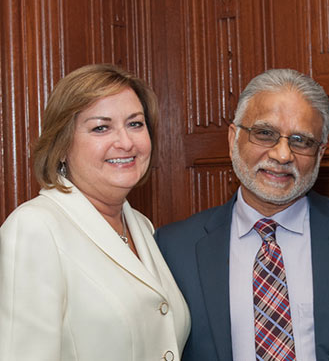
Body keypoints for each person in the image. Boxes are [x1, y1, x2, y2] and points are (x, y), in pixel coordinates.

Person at [156, 68, 329, 361]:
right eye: (265, 134)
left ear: (320, 154)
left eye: (301, 140)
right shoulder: (174, 248)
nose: (282, 155)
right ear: (233, 139)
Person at [0, 64, 190, 361]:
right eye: (101, 127)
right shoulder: (34, 227)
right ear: (62, 145)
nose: (126, 142)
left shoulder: (141, 225)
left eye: (135, 124)